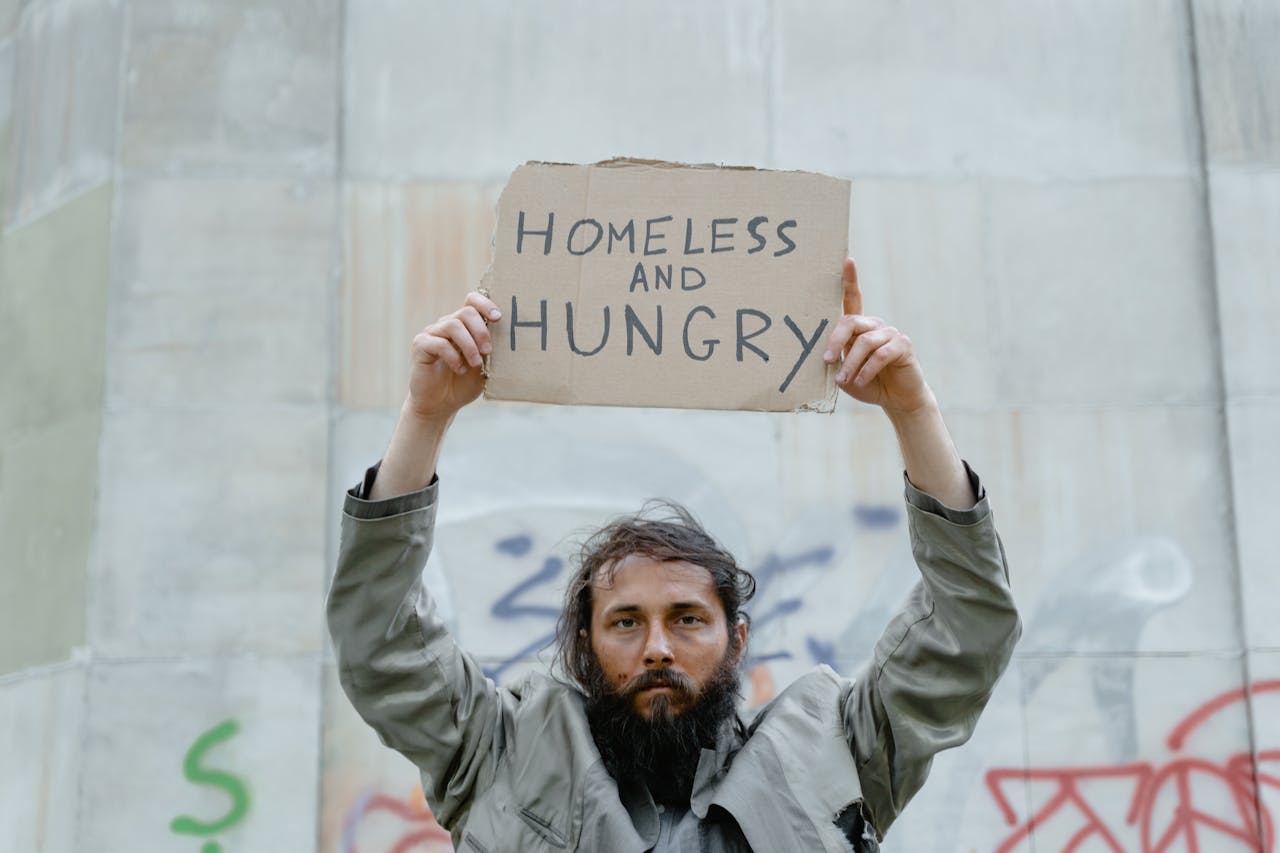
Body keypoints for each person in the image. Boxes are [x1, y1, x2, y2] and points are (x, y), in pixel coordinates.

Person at [327, 259, 1021, 852]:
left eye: (688, 618)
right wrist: (426, 416)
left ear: (736, 636)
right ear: (582, 643)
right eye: (625, 621)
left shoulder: (838, 749)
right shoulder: (501, 752)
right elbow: (380, 638)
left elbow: (968, 628)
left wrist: (911, 408)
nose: (657, 646)